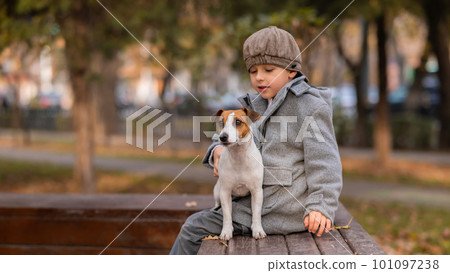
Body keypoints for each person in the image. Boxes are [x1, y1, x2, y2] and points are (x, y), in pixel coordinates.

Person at [170, 26, 342, 255]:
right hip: (249, 203)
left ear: (291, 71)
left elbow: (325, 162)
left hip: (282, 210)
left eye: (268, 70)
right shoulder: (253, 105)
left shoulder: (309, 106)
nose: (259, 77)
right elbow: (223, 135)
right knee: (196, 225)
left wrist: (320, 207)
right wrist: (217, 150)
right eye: (253, 71)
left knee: (193, 228)